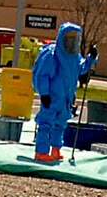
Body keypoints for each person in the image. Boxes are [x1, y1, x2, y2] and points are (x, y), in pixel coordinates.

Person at [32, 21, 91, 162]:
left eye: (75, 38)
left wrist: (91, 59)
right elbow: (42, 75)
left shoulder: (74, 58)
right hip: (52, 97)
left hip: (66, 98)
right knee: (46, 124)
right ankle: (41, 151)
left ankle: (56, 149)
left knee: (61, 124)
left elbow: (82, 68)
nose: (72, 41)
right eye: (69, 38)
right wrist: (44, 93)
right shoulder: (52, 55)